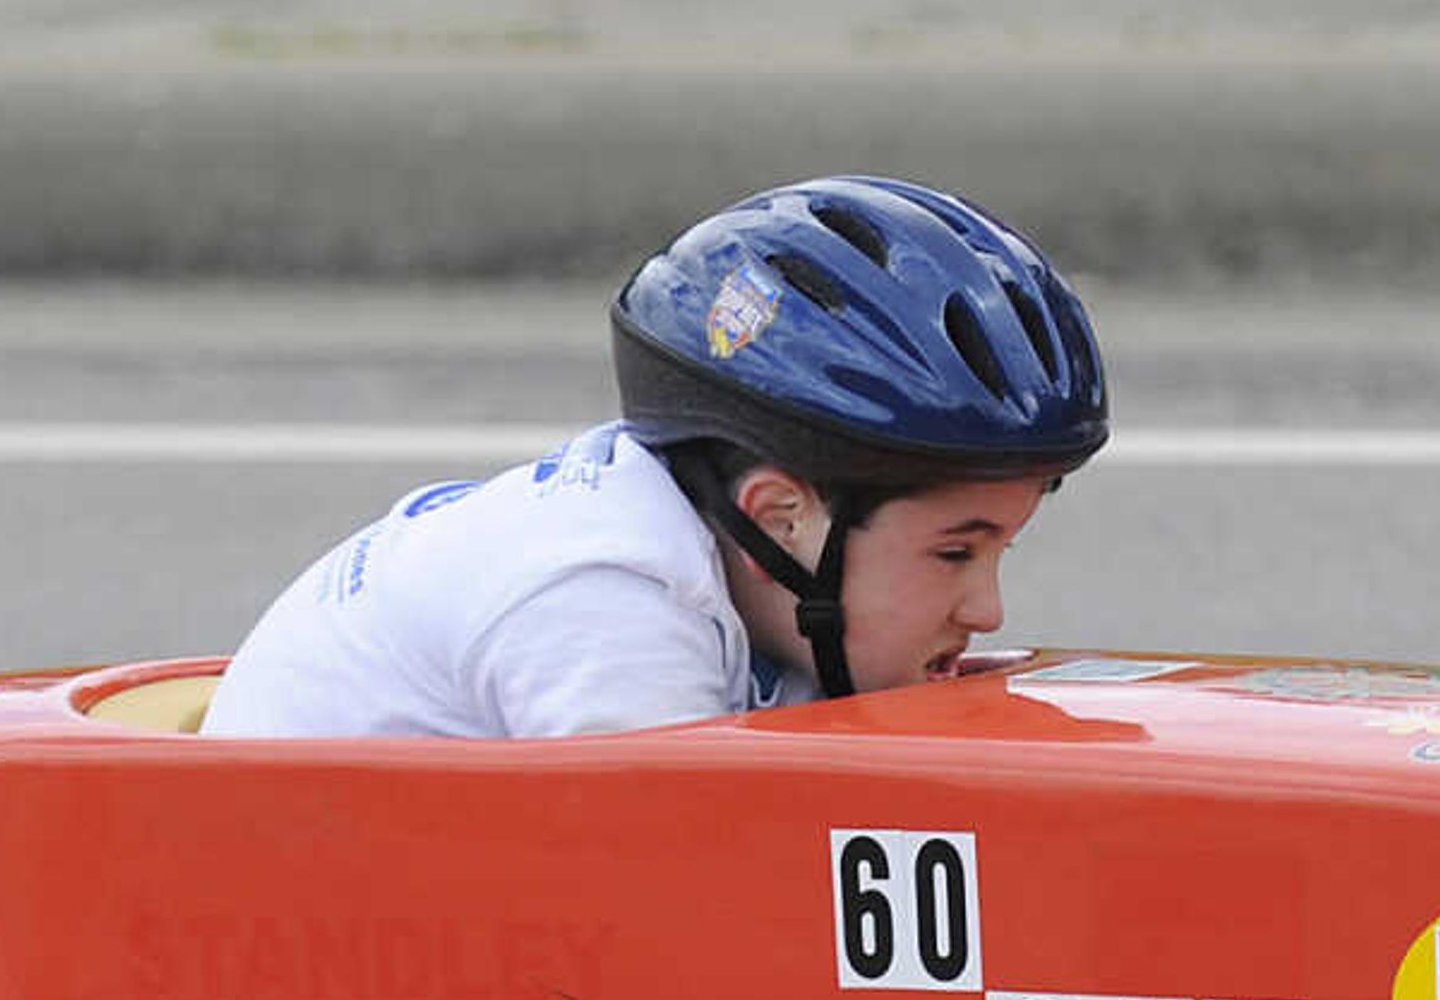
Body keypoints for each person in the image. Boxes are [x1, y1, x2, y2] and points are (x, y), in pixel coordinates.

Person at [202, 175, 1109, 739]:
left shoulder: (742, 575)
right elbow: (684, 932)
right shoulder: (607, 610)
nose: (988, 611)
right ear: (781, 514)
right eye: (955, 552)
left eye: (999, 553)